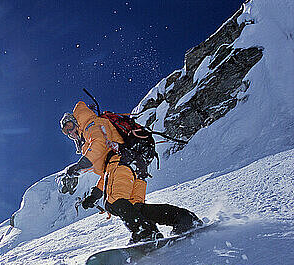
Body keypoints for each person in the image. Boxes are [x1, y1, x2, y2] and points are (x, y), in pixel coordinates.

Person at [58, 100, 202, 243]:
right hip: (135, 166)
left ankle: (145, 232)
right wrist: (94, 195)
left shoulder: (91, 124)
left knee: (113, 202)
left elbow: (99, 143)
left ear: (76, 121)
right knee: (136, 208)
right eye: (66, 132)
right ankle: (183, 218)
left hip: (122, 161)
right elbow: (107, 175)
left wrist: (79, 166)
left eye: (70, 126)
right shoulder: (89, 135)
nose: (70, 132)